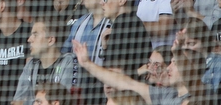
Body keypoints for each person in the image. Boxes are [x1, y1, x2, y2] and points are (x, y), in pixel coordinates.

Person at [73, 39, 206, 105]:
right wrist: (87, 64)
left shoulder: (202, 97)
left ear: (191, 67)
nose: (169, 67)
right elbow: (127, 83)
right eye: (170, 62)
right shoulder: (167, 95)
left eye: (175, 63)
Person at [11, 16, 76, 105]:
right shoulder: (31, 65)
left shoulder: (68, 62)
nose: (29, 39)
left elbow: (64, 101)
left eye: (35, 35)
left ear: (50, 40)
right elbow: (17, 101)